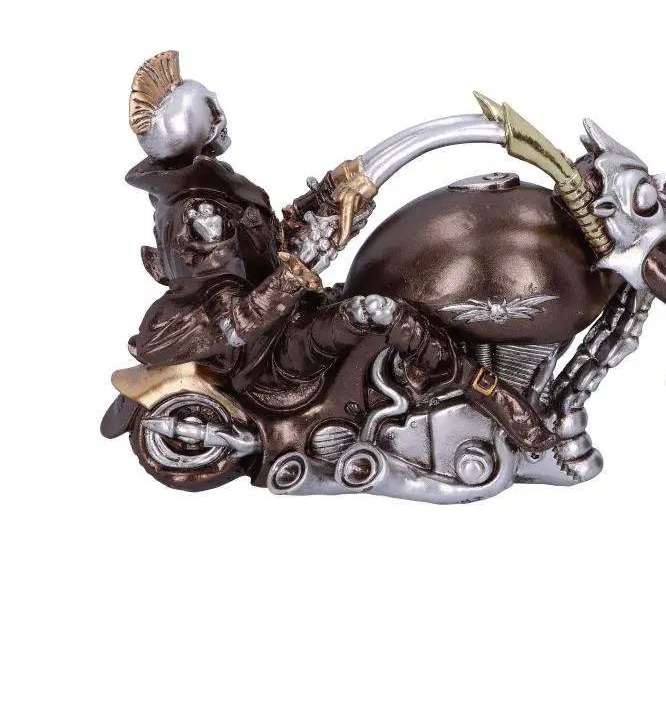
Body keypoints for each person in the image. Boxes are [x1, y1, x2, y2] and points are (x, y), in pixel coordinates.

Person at [125, 51, 557, 452]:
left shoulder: (212, 190)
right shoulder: (198, 215)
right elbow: (235, 320)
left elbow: (269, 246)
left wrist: (333, 194)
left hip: (286, 321)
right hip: (268, 357)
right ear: (202, 125)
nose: (221, 113)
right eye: (212, 107)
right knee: (380, 312)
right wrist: (301, 268)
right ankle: (488, 394)